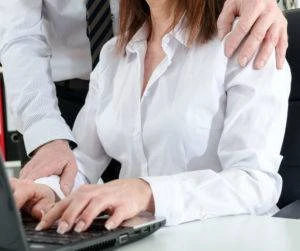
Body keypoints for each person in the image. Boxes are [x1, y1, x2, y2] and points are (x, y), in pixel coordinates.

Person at [11, 0, 290, 234]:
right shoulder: (113, 56)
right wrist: (46, 190)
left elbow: (256, 183)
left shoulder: (246, 44)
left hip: (229, 239)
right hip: (142, 239)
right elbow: (82, 163)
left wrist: (148, 193)